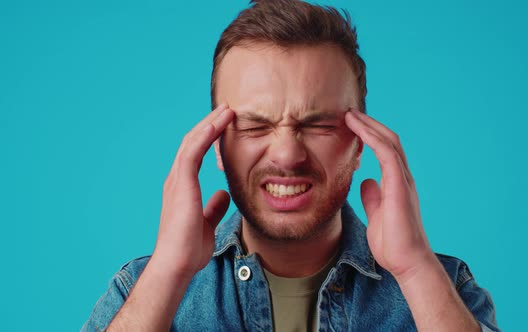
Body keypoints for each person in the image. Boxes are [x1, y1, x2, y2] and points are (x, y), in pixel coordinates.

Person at [82, 1, 499, 331]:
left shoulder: (444, 288)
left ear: (360, 144)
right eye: (253, 126)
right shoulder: (140, 291)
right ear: (215, 147)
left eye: (318, 124)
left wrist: (415, 270)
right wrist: (169, 273)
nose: (287, 155)